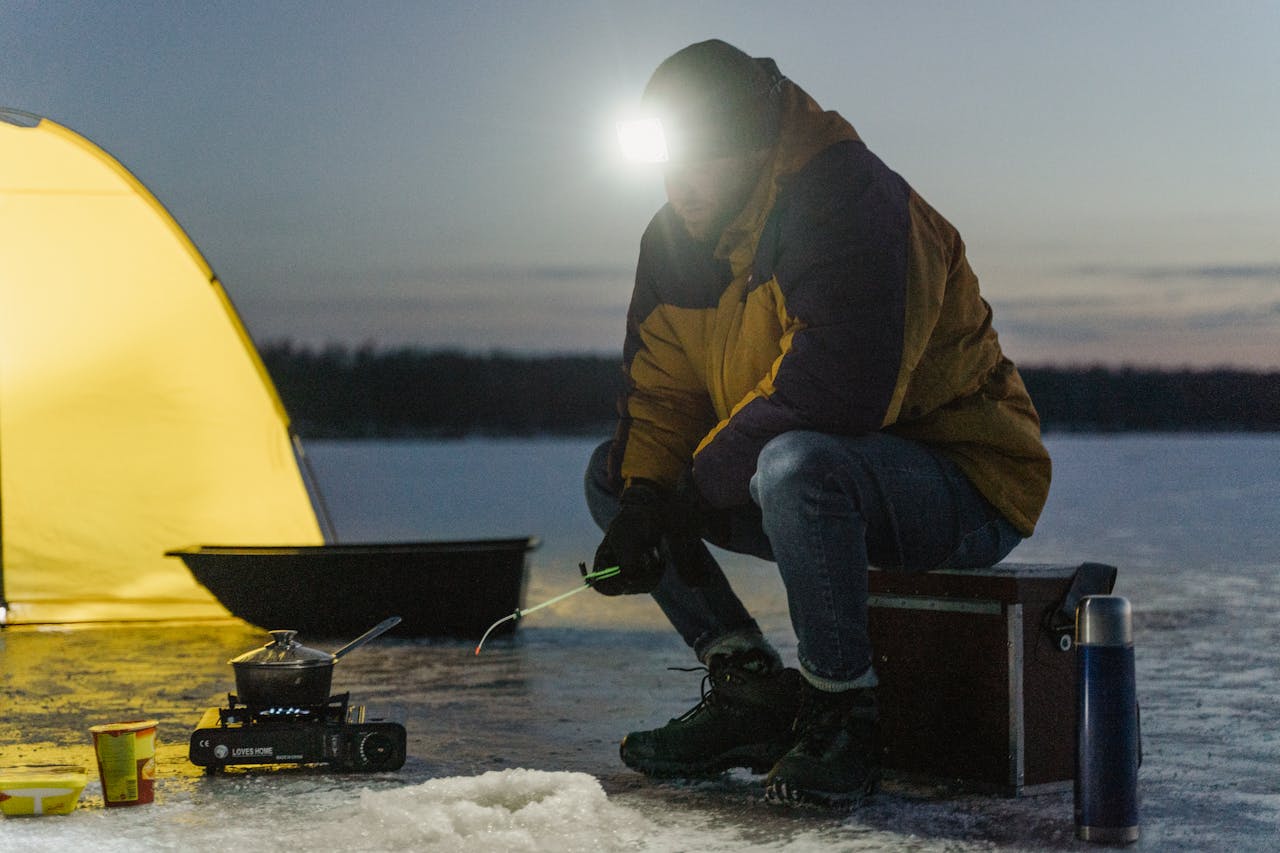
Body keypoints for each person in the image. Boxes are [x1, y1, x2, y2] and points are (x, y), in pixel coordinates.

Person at [583, 39, 1050, 808]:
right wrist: (645, 502)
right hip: (807, 481)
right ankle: (751, 691)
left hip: (965, 482)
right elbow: (661, 394)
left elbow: (837, 391)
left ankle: (842, 710)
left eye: (700, 156)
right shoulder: (674, 239)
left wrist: (692, 495)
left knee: (796, 462)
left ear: (752, 142)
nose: (680, 182)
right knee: (614, 470)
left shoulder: (848, 198)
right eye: (668, 158)